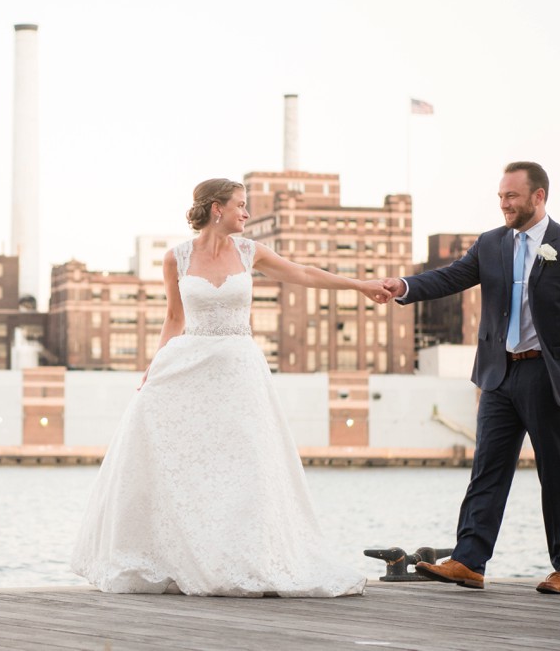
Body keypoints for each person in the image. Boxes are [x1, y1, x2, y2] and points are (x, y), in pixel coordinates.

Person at [71, 178, 392, 597]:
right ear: (216, 209)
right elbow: (174, 318)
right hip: (187, 368)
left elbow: (303, 274)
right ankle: (180, 556)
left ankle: (247, 559)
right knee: (189, 465)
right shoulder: (176, 258)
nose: (246, 213)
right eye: (241, 206)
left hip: (240, 372)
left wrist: (360, 286)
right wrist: (154, 370)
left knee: (247, 465)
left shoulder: (249, 251)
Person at [383, 162, 560, 594]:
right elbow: (452, 276)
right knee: (486, 470)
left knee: (558, 472)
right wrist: (405, 286)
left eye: (512, 196)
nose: (504, 203)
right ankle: (470, 561)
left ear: (538, 197)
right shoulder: (491, 244)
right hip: (497, 373)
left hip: (548, 376)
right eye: (500, 196)